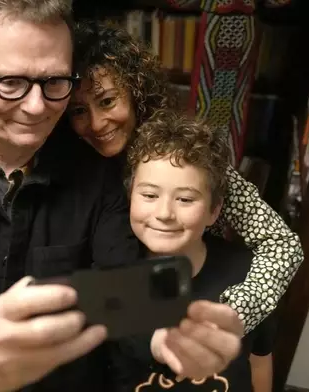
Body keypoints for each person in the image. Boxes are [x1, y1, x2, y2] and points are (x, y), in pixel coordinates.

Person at [0, 1, 242, 391]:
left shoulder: (98, 171)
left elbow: (123, 289)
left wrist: (162, 334)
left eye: (54, 82)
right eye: (10, 82)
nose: (36, 107)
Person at [68, 21, 304, 334]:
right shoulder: (70, 165)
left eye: (108, 101)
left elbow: (282, 245)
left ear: (136, 92)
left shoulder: (181, 154)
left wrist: (232, 312)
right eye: (79, 111)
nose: (97, 123)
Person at [112, 109, 277, 391]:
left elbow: (259, 359)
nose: (164, 213)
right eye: (150, 195)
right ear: (130, 198)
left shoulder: (251, 273)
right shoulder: (109, 272)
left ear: (214, 210)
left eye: (186, 199)